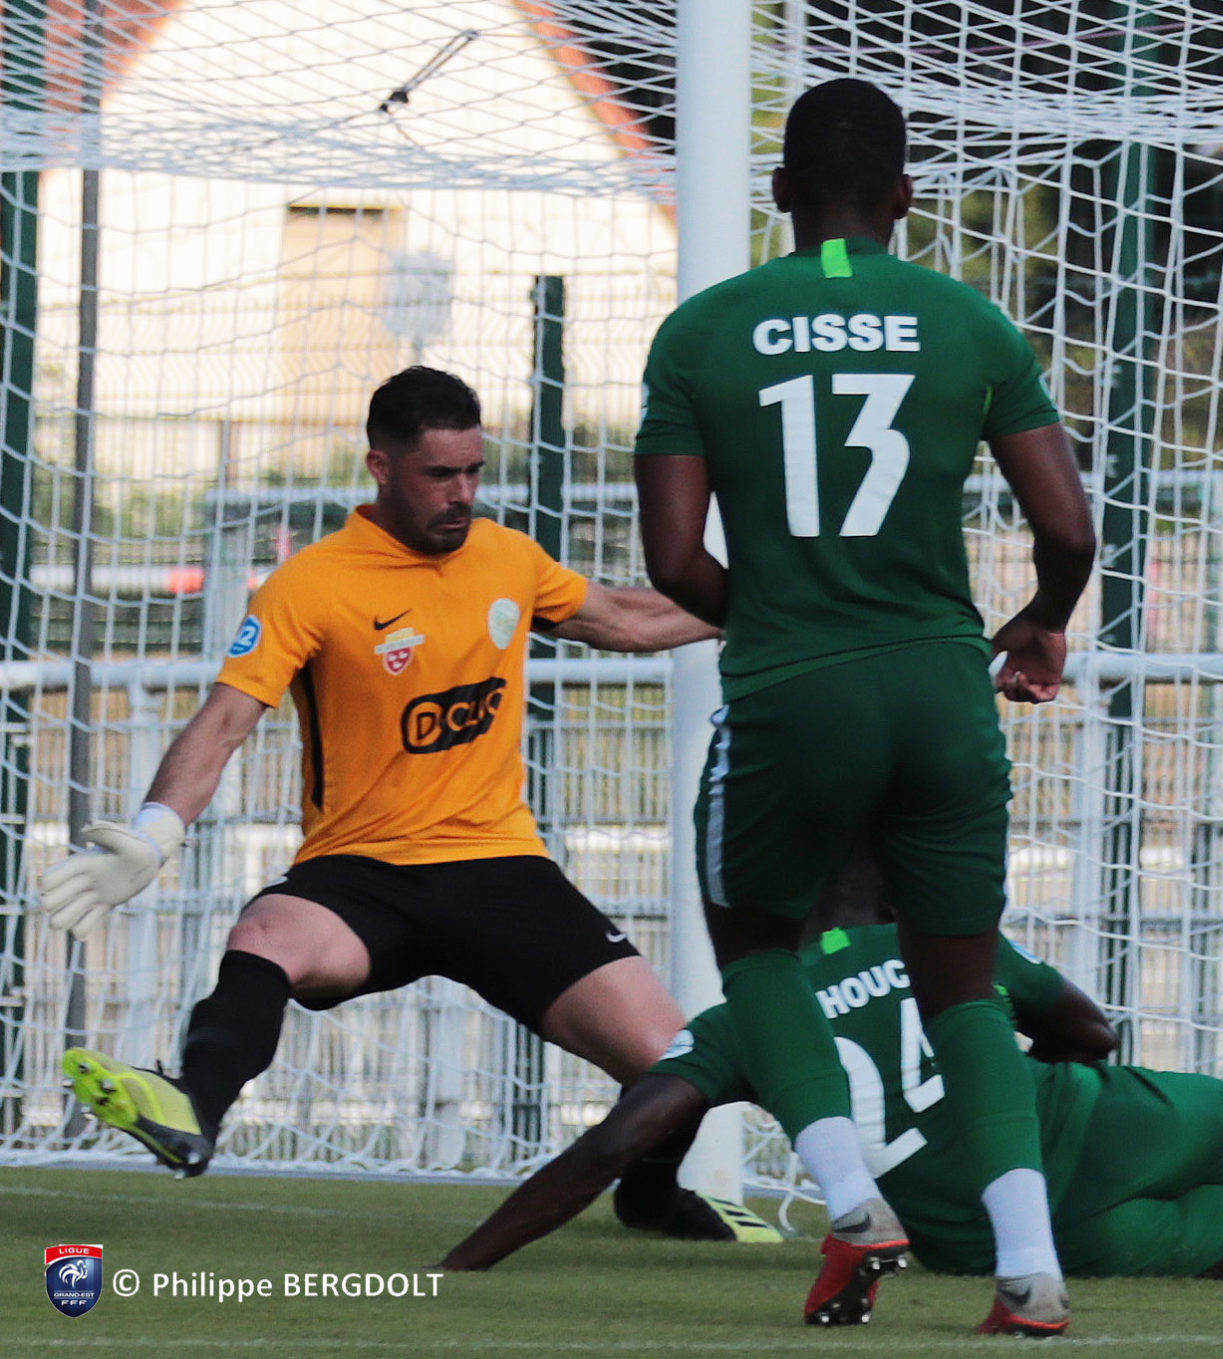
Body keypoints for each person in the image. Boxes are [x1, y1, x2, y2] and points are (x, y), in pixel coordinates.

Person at [45, 368, 749, 1239]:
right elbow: (222, 723)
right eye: (439, 475)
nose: (463, 494)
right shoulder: (311, 583)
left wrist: (779, 599)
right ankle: (193, 1105)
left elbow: (627, 620)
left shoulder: (506, 556)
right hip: (360, 873)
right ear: (381, 466)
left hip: (499, 867)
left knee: (676, 1060)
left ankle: (648, 1197)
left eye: (474, 471)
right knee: (265, 933)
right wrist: (155, 833)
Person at [632, 78, 1095, 1334]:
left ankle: (851, 1204)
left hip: (791, 688)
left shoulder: (702, 330)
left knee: (757, 947)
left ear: (780, 192)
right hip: (943, 688)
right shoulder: (970, 321)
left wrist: (787, 614)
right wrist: (1040, 620)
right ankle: (1029, 1267)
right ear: (905, 195)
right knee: (962, 986)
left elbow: (673, 563)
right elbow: (1068, 529)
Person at [438, 846, 1223, 1296]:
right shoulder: (938, 945)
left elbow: (617, 1140)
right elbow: (1090, 1030)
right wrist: (1036, 1052)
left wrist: (462, 1267)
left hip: (1018, 1234)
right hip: (1104, 1124)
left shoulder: (749, 1015)